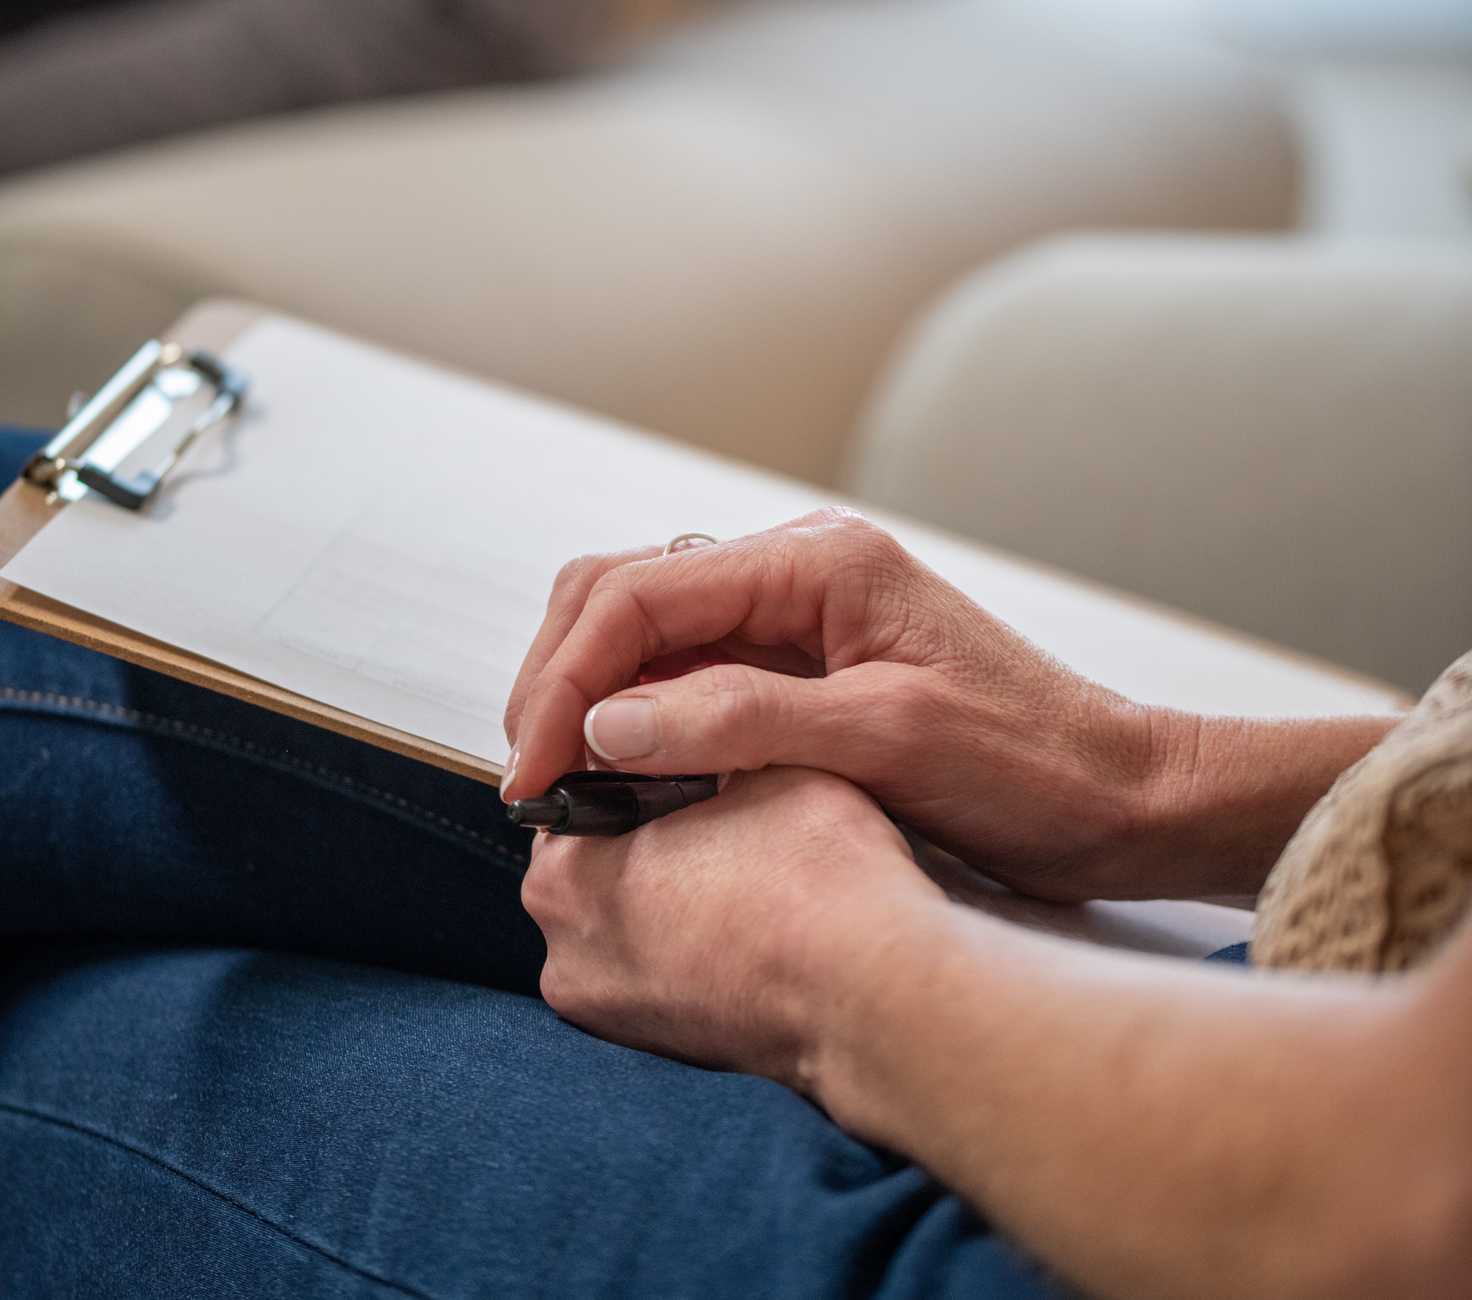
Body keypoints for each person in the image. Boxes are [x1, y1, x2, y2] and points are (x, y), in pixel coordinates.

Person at [2, 421, 1468, 1298]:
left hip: (1215, 1221)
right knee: (53, 532)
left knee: (70, 1041)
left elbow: (1407, 1207)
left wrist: (832, 974)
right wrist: (1149, 781)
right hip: (1289, 1038)